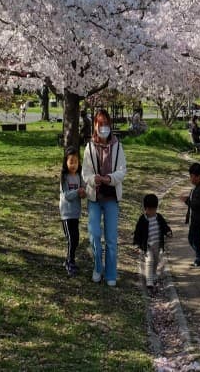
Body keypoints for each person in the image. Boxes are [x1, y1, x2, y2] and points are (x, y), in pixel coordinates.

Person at [81, 108, 127, 286]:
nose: (104, 127)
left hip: (111, 198)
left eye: (106, 124)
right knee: (94, 235)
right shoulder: (89, 147)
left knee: (111, 239)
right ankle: (97, 268)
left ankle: (111, 274)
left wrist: (109, 179)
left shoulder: (117, 146)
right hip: (94, 197)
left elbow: (122, 171)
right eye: (100, 124)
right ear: (95, 125)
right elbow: (85, 172)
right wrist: (94, 179)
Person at [132, 193, 172, 293]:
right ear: (145, 209)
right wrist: (137, 244)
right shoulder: (143, 219)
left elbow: (164, 226)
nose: (151, 212)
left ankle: (153, 274)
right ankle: (149, 281)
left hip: (157, 244)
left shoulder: (159, 217)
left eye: (153, 210)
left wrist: (168, 232)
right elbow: (137, 232)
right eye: (149, 210)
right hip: (147, 245)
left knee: (156, 261)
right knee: (149, 261)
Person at [59, 147, 83, 277]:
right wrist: (78, 192)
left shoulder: (79, 176)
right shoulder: (64, 177)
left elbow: (83, 191)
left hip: (76, 213)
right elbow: (67, 195)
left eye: (76, 161)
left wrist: (83, 193)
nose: (74, 164)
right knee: (71, 239)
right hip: (66, 213)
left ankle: (70, 259)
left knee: (76, 239)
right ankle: (70, 262)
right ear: (66, 162)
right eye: (71, 161)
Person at [181, 162, 200, 266]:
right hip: (194, 219)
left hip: (198, 220)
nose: (191, 179)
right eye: (190, 176)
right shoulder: (195, 188)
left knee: (195, 240)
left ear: (199, 177)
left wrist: (186, 201)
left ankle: (199, 257)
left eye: (193, 176)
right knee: (191, 239)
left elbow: (196, 205)